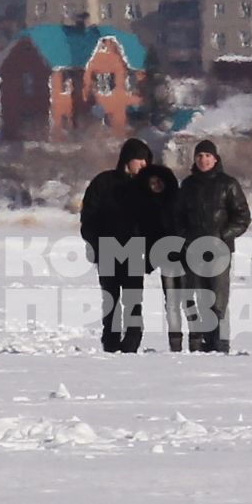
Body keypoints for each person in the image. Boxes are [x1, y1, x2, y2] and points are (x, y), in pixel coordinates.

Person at [174, 139, 251, 353]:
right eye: (199, 156)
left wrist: (222, 235)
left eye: (207, 156)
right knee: (196, 298)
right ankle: (197, 345)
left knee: (218, 301)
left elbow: (242, 217)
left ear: (215, 159)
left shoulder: (228, 184)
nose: (203, 160)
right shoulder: (188, 185)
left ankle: (220, 344)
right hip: (193, 251)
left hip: (219, 251)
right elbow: (178, 217)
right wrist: (185, 237)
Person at [80, 138, 153, 353]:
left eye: (146, 161)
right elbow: (88, 217)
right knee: (110, 300)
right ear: (128, 159)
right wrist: (95, 244)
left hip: (134, 250)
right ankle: (110, 343)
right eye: (139, 159)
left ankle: (131, 342)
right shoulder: (103, 182)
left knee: (133, 300)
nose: (143, 165)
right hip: (107, 248)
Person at [142, 162, 188, 352]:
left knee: (189, 299)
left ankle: (196, 340)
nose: (156, 187)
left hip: (186, 256)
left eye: (159, 183)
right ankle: (175, 343)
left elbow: (188, 225)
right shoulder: (148, 206)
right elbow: (149, 234)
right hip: (165, 259)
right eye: (151, 184)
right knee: (171, 302)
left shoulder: (179, 200)